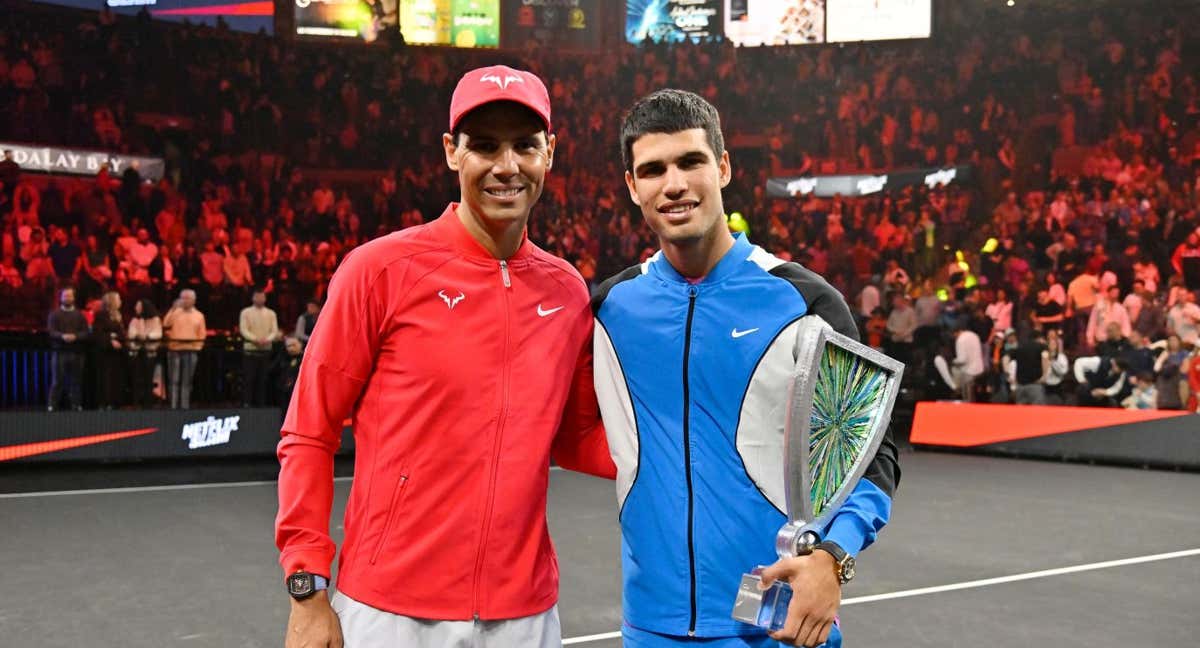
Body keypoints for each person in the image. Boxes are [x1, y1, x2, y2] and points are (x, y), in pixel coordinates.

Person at [275, 65, 615, 648]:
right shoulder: (379, 271)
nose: (506, 166)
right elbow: (310, 431)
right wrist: (307, 585)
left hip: (525, 614)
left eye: (524, 146)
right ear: (451, 153)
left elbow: (575, 436)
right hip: (390, 612)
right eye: (484, 146)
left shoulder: (566, 290)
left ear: (550, 153)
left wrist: (695, 451)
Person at [592, 89, 899, 648]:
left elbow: (871, 453)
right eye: (654, 169)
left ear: (724, 167)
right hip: (649, 628)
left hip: (776, 628)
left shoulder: (803, 300)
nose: (675, 183)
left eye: (691, 161)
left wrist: (834, 558)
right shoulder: (611, 309)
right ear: (633, 186)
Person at [47, 287, 89, 411]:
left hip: (76, 352)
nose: (67, 298)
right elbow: (51, 331)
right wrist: (62, 336)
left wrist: (75, 336)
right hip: (59, 352)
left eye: (70, 296)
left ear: (74, 298)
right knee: (57, 381)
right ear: (61, 298)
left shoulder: (80, 315)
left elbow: (86, 332)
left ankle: (76, 405)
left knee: (76, 381)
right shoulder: (54, 314)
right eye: (65, 296)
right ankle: (52, 406)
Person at [163, 289, 206, 409]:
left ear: (194, 300)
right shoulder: (175, 313)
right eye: (183, 298)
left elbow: (202, 334)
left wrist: (197, 347)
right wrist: (172, 309)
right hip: (175, 349)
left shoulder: (199, 316)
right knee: (174, 380)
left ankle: (184, 407)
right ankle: (173, 406)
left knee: (187, 381)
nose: (185, 300)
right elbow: (166, 325)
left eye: (188, 298)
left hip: (191, 351)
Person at [239, 290, 280, 407]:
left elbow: (274, 330)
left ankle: (261, 405)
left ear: (265, 298)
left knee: (263, 379)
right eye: (257, 296)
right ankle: (247, 404)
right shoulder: (245, 312)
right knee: (249, 379)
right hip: (250, 350)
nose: (260, 299)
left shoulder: (271, 313)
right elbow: (243, 329)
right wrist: (255, 339)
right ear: (253, 298)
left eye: (262, 297)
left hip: (266, 350)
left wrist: (267, 339)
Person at [92, 291, 127, 409]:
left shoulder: (119, 315)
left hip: (117, 355)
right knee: (105, 378)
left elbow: (121, 333)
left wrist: (117, 337)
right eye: (118, 299)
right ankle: (104, 402)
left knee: (115, 378)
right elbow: (98, 333)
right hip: (104, 354)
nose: (121, 301)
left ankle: (115, 402)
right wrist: (110, 340)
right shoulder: (101, 315)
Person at [934, 324, 985, 402]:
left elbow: (962, 360)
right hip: (980, 369)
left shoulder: (960, 340)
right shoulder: (974, 335)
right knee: (977, 397)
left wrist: (952, 362)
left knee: (968, 399)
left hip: (969, 372)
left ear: (955, 332)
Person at [127, 298, 163, 407]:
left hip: (150, 353)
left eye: (138, 306)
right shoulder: (135, 320)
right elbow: (131, 333)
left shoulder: (155, 320)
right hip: (137, 352)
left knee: (149, 378)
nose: (135, 308)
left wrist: (147, 336)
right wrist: (138, 336)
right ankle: (136, 402)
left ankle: (148, 402)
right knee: (137, 378)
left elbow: (157, 333)